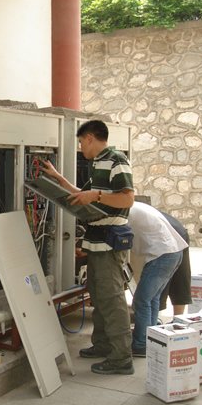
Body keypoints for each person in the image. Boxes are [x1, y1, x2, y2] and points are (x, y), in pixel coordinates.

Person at [42, 120, 135, 375]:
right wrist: (57, 177)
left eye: (82, 141)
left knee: (111, 297)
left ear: (91, 138)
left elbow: (128, 198)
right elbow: (80, 195)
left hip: (109, 241)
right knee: (98, 294)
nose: (81, 147)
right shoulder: (97, 165)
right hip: (96, 241)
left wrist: (95, 196)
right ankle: (103, 345)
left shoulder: (116, 160)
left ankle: (121, 358)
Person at [126, 201, 189, 356]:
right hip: (173, 252)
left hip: (163, 255)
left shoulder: (123, 210)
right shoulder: (135, 205)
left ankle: (141, 344)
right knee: (152, 299)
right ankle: (150, 338)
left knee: (142, 300)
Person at [159, 211, 192, 316]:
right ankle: (179, 319)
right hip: (178, 229)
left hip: (165, 234)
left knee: (156, 277)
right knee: (181, 274)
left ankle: (153, 322)